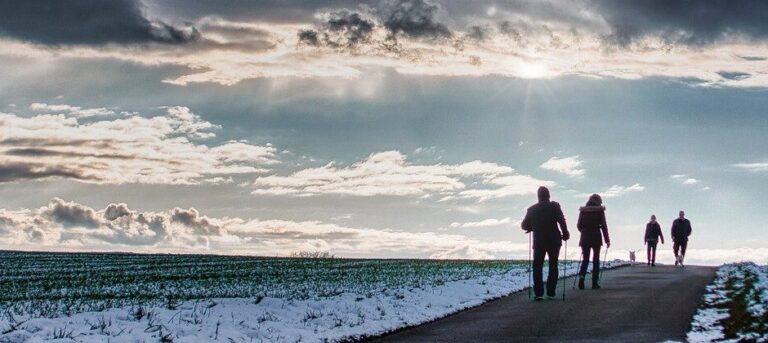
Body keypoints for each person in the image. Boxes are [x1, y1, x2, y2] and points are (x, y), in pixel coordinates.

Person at [521, 186, 569, 301]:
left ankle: (539, 293)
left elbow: (524, 225)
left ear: (538, 196)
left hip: (539, 241)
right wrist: (565, 233)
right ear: (548, 195)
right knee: (553, 265)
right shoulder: (555, 206)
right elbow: (561, 220)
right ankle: (551, 292)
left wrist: (532, 226)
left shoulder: (532, 209)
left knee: (537, 266)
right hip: (554, 240)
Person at [576, 193, 610, 290]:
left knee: (585, 259)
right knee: (596, 260)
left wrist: (583, 231)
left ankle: (581, 279)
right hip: (596, 237)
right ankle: (594, 283)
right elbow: (604, 226)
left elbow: (578, 225)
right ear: (598, 201)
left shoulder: (583, 211)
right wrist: (607, 240)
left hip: (585, 237)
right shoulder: (600, 211)